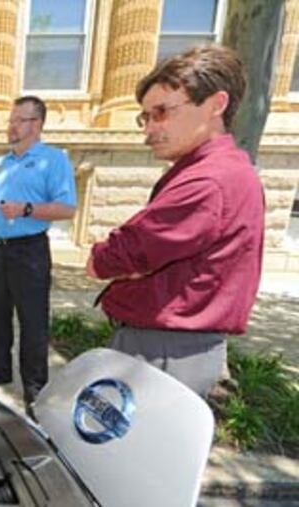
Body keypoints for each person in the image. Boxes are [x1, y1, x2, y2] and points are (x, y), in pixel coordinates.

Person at [85, 44, 265, 397]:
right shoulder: (208, 172)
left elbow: (111, 259)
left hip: (164, 353)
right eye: (146, 117)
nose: (149, 129)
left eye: (162, 112)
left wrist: (114, 260)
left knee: (131, 452)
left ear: (216, 104)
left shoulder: (207, 181)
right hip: (167, 347)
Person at [0, 96, 77, 407]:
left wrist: (26, 209)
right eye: (11, 120)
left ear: (37, 124)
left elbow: (67, 208)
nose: (11, 126)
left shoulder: (54, 160)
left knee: (33, 321)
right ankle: (1, 370)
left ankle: (35, 385)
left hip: (29, 251)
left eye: (19, 120)